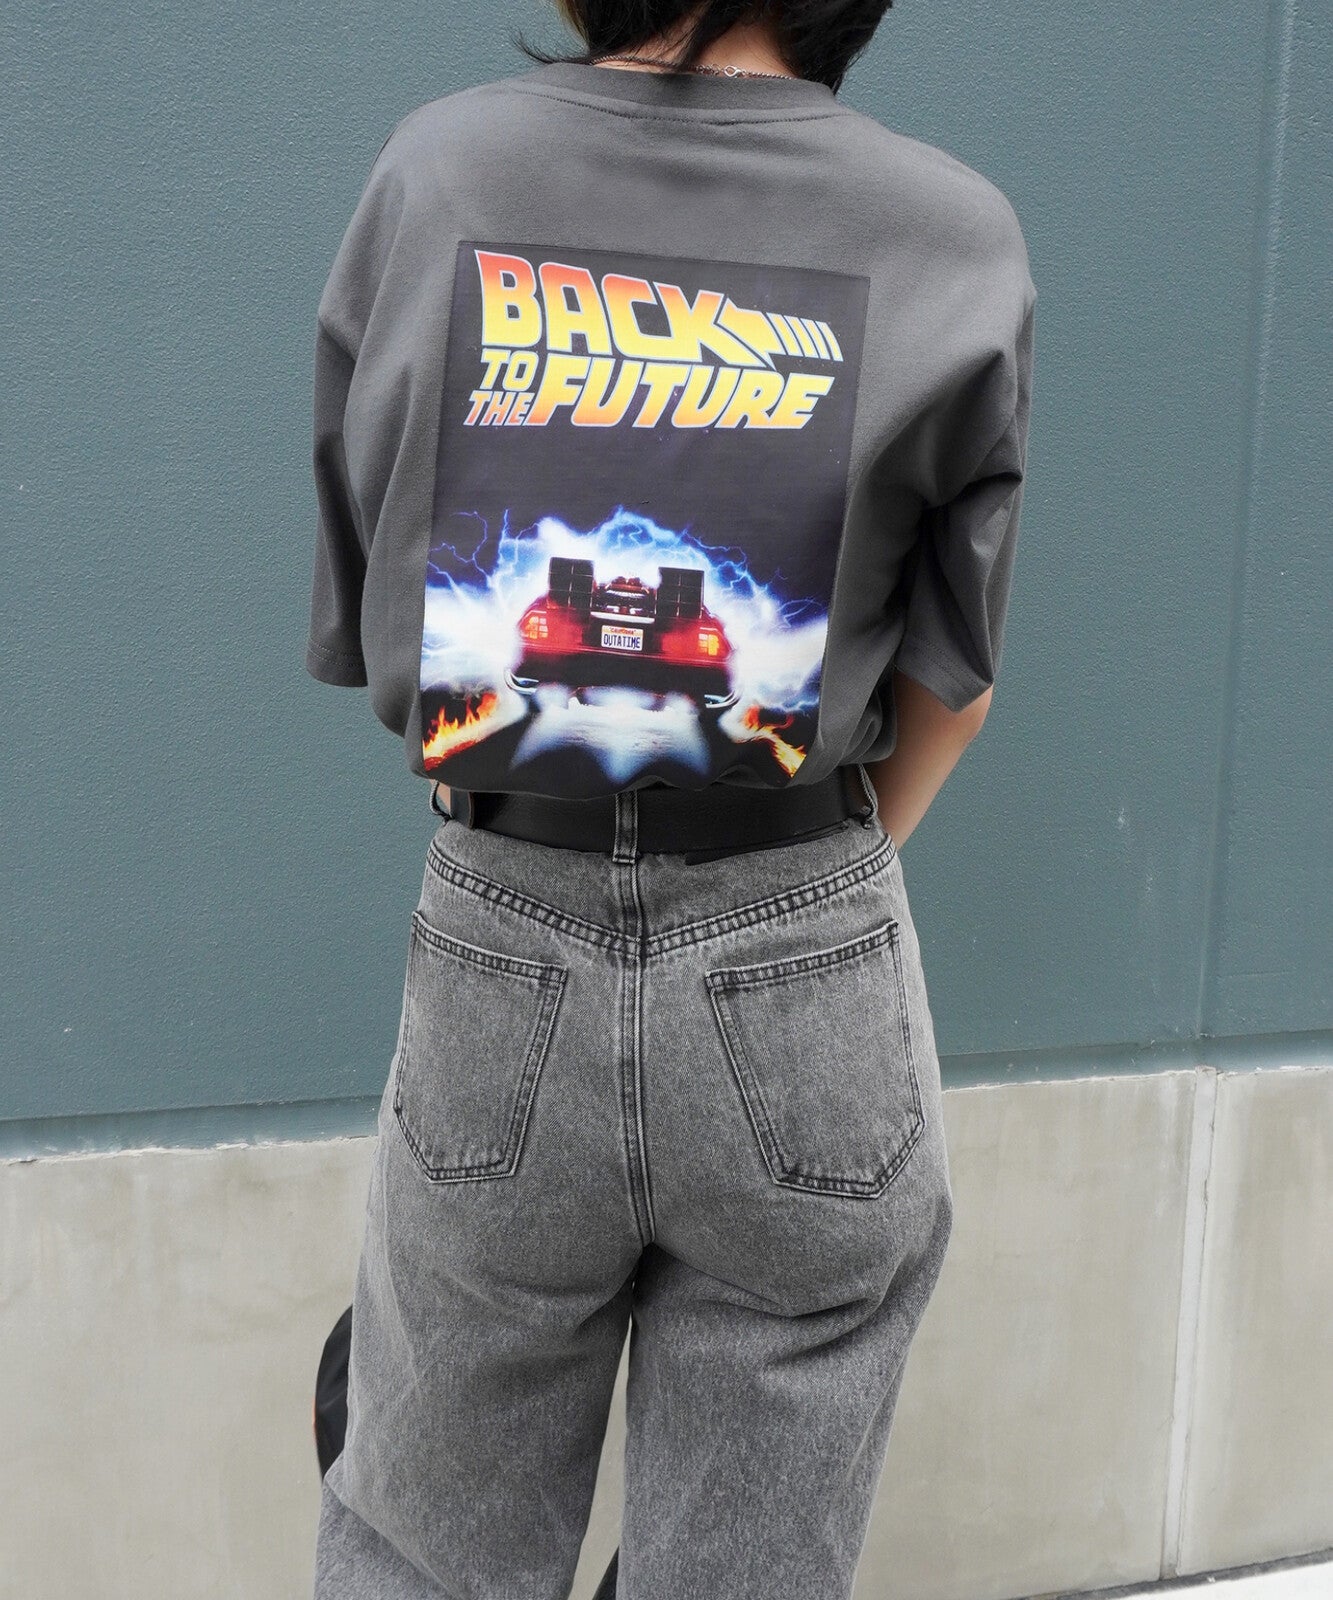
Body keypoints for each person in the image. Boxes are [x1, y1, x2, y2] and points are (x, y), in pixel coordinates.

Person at [305, 1, 1035, 1595]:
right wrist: (803, 897)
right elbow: (953, 685)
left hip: (505, 915)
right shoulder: (950, 230)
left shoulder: (439, 175)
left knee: (423, 1538)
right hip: (803, 931)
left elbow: (378, 606)